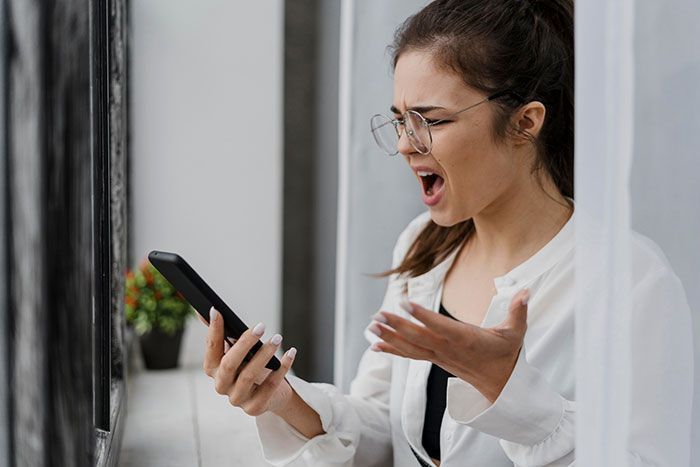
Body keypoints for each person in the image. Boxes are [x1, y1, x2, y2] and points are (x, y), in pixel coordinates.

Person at [201, 1, 693, 465]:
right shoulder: (423, 248)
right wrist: (286, 402)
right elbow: (383, 432)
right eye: (399, 121)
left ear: (525, 123)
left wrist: (513, 396)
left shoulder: (634, 284)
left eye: (429, 120)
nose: (405, 145)